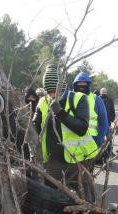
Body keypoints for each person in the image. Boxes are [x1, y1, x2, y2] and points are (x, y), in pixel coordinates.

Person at [33, 64, 95, 197]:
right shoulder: (43, 102)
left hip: (77, 162)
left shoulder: (78, 99)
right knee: (51, 197)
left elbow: (82, 128)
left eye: (54, 90)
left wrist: (60, 113)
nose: (52, 95)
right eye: (48, 91)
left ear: (62, 86)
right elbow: (35, 128)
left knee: (82, 199)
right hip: (53, 162)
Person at [72, 72, 108, 152]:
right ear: (75, 85)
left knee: (89, 164)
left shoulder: (96, 100)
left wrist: (98, 141)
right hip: (73, 142)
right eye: (79, 84)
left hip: (92, 141)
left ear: (88, 85)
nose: (81, 87)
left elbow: (104, 123)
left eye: (84, 84)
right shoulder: (70, 98)